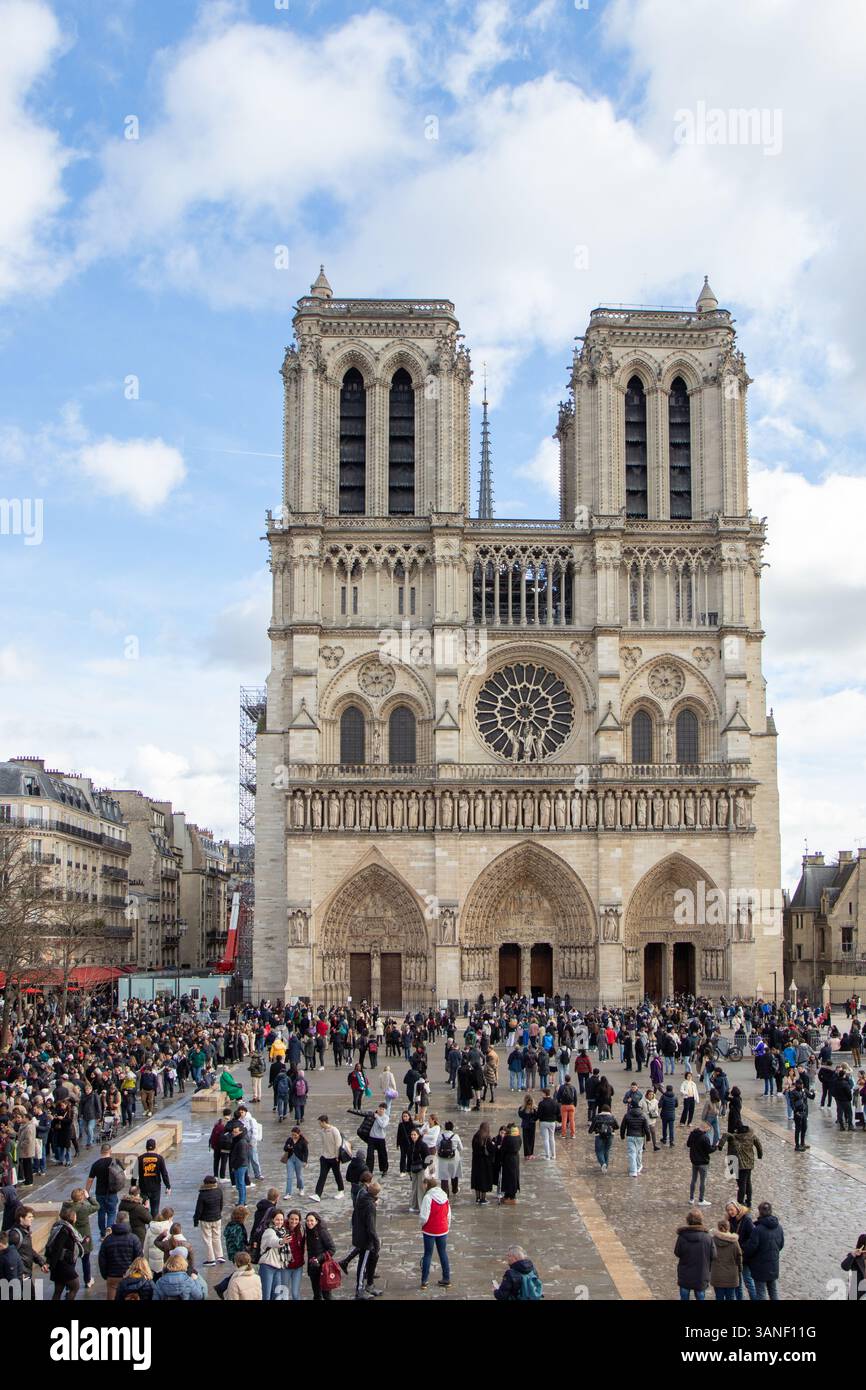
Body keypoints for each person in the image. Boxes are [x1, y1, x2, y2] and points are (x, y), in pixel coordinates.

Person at [743, 1201, 784, 1301]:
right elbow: (781, 1245)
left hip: (760, 1267)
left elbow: (751, 1248)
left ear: (760, 1212)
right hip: (773, 1265)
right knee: (773, 1291)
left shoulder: (758, 1229)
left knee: (761, 1293)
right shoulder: (779, 1227)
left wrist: (745, 1258)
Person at [98, 1215, 143, 1301]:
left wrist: (105, 1275)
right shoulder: (134, 1239)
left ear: (116, 1221)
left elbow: (102, 1260)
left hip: (112, 1276)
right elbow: (139, 1259)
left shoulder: (107, 1240)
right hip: (130, 1276)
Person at [46, 1203, 84, 1301]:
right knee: (75, 1286)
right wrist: (51, 1265)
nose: (76, 1217)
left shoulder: (60, 1226)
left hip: (59, 1264)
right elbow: (57, 1248)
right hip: (62, 1264)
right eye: (75, 1215)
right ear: (71, 1217)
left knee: (58, 1290)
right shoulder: (64, 1230)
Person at [85, 1142, 123, 1239]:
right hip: (112, 1192)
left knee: (101, 1213)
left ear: (101, 1151)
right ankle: (109, 1228)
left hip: (100, 1193)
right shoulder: (115, 1162)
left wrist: (86, 1192)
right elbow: (123, 1174)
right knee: (112, 1212)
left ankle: (102, 1234)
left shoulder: (96, 1164)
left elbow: (90, 1180)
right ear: (110, 1151)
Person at [674, 1209, 714, 1300]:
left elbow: (677, 1252)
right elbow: (713, 1255)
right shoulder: (707, 1237)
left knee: (684, 1296)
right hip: (701, 1274)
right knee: (700, 1296)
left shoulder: (682, 1236)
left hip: (685, 1274)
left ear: (688, 1220)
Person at [352, 1178, 382, 1300]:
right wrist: (376, 1242)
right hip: (366, 1239)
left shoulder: (362, 1196)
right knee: (362, 1264)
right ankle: (359, 1290)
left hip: (359, 1234)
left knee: (371, 1260)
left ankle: (369, 1285)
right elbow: (371, 1227)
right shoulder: (370, 1206)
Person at [419, 1176, 451, 1289]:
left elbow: (424, 1217)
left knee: (428, 1254)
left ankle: (424, 1281)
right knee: (443, 1253)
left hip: (430, 1230)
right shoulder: (444, 1195)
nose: (422, 1186)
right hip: (442, 1229)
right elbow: (448, 1214)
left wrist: (422, 1225)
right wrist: (447, 1226)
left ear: (427, 1185)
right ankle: (447, 1278)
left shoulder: (428, 1197)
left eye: (424, 1184)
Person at [725, 1126, 763, 1209]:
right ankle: (748, 1200)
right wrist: (760, 1155)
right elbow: (759, 1146)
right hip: (749, 1164)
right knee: (748, 1182)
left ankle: (740, 1202)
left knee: (741, 1184)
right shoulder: (752, 1137)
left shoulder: (735, 1137)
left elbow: (725, 1135)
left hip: (738, 1164)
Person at [311, 1115, 346, 1201]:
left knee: (337, 1174)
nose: (319, 1125)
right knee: (322, 1176)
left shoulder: (334, 1130)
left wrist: (337, 1156)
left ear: (323, 1122)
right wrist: (322, 1155)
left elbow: (338, 1144)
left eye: (320, 1123)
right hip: (325, 1157)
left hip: (334, 1157)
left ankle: (341, 1191)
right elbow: (323, 1144)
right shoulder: (322, 1131)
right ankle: (317, 1194)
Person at [193, 1173, 225, 1266]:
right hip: (217, 1218)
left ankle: (211, 1259)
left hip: (206, 1220)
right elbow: (221, 1205)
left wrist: (196, 1221)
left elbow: (198, 1209)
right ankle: (220, 1256)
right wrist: (218, 1213)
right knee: (217, 1237)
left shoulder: (202, 1194)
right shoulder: (219, 1191)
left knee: (207, 1239)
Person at [258, 1209, 291, 1300]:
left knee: (276, 1295)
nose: (280, 1222)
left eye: (281, 1219)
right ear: (272, 1219)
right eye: (277, 1219)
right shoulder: (269, 1231)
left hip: (278, 1267)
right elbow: (274, 1242)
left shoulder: (283, 1231)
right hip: (267, 1266)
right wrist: (282, 1241)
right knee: (266, 1295)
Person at [305, 1211, 336, 1300]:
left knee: (327, 1295)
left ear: (317, 1221)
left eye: (312, 1221)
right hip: (313, 1268)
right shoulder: (308, 1232)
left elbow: (332, 1249)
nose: (309, 1223)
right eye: (307, 1221)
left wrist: (318, 1258)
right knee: (317, 1295)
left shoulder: (322, 1232)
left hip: (324, 1268)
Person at [137, 1138, 172, 1219]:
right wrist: (168, 1186)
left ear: (146, 1147)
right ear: (155, 1147)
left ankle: (144, 1224)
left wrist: (133, 1187)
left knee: (143, 1209)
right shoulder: (159, 1158)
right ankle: (153, 1227)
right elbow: (164, 1174)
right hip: (155, 1188)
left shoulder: (140, 1159)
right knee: (155, 1210)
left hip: (143, 1188)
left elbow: (134, 1175)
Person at [710, 1219, 743, 1301]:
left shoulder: (712, 1240)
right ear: (729, 1228)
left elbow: (709, 1256)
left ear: (718, 1228)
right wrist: (740, 1269)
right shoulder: (734, 1242)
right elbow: (739, 1256)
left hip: (717, 1275)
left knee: (719, 1297)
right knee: (731, 1297)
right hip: (731, 1276)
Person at [620, 1100, 652, 1177]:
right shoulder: (643, 1115)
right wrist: (648, 1137)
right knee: (639, 1152)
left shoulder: (627, 1115)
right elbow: (646, 1128)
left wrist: (622, 1135)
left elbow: (623, 1126)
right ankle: (638, 1167)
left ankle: (633, 1171)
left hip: (630, 1135)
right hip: (640, 1136)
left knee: (632, 1153)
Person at [686, 1120, 714, 1206]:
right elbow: (709, 1150)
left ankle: (691, 1198)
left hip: (694, 1161)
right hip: (703, 1162)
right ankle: (701, 1200)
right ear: (706, 1128)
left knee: (693, 1180)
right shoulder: (705, 1138)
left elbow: (688, 1144)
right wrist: (716, 1146)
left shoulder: (692, 1134)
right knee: (703, 1181)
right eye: (708, 1129)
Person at [471, 1122, 496, 1205]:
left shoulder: (475, 1137)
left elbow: (474, 1150)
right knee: (484, 1180)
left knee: (477, 1180)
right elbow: (492, 1150)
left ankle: (477, 1198)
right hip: (485, 1163)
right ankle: (483, 1198)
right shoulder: (487, 1138)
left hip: (476, 1163)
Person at [436, 1121, 463, 1197]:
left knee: (444, 1177)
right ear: (452, 1128)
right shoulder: (456, 1136)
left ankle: (445, 1195)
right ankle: (455, 1190)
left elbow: (437, 1146)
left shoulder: (440, 1135)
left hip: (443, 1159)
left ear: (445, 1127)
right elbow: (461, 1148)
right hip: (454, 1158)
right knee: (454, 1174)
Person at [588, 1105, 617, 1173]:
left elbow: (591, 1129)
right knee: (607, 1151)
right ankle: (605, 1167)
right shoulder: (612, 1117)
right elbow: (617, 1126)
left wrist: (592, 1131)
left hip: (599, 1135)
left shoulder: (597, 1117)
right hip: (610, 1135)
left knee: (599, 1151)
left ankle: (603, 1163)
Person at [282, 1126, 308, 1198]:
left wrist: (305, 1161)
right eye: (292, 1134)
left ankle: (301, 1188)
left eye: (295, 1135)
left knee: (299, 1176)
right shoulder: (289, 1140)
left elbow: (306, 1152)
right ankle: (288, 1193)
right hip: (290, 1159)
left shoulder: (302, 1141)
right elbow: (284, 1148)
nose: (293, 1136)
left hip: (299, 1160)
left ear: (299, 1134)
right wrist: (288, 1147)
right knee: (289, 1176)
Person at [498, 1124, 521, 1205]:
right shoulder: (518, 1137)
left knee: (508, 1178)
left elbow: (503, 1149)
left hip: (508, 1160)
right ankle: (510, 1196)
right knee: (514, 1177)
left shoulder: (507, 1138)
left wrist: (500, 1159)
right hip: (515, 1159)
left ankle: (510, 1197)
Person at [366, 1101, 390, 1176]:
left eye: (383, 1109)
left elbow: (383, 1125)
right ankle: (369, 1170)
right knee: (370, 1155)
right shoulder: (373, 1114)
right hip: (372, 1137)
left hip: (381, 1138)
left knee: (382, 1155)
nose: (381, 1110)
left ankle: (384, 1169)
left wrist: (378, 1117)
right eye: (380, 1108)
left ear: (385, 1110)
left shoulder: (386, 1117)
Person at [536, 1090, 560, 1160]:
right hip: (552, 1122)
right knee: (552, 1138)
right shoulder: (554, 1102)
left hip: (544, 1122)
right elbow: (558, 1112)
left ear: (544, 1094)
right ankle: (554, 1155)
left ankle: (547, 1156)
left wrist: (534, 1119)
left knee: (545, 1139)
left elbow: (539, 1114)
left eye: (542, 1093)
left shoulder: (541, 1103)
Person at [791, 1080, 814, 1151]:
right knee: (798, 1129)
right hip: (798, 1113)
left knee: (804, 1128)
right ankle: (797, 1146)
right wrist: (795, 1112)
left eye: (802, 1084)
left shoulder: (804, 1091)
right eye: (800, 1084)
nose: (801, 1086)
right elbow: (792, 1104)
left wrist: (813, 1093)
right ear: (797, 1085)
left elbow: (811, 1097)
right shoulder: (793, 1092)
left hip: (804, 1113)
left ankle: (802, 1143)